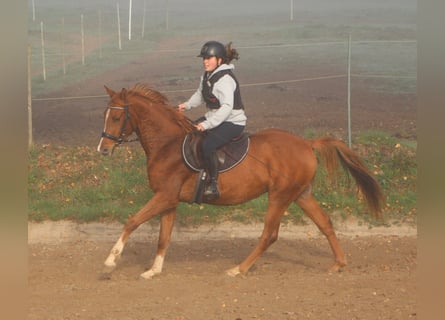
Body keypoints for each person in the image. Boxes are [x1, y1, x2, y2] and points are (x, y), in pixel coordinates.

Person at [178, 41, 247, 200]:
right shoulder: (207, 75)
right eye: (204, 58)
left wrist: (206, 125)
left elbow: (226, 108)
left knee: (208, 144)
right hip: (215, 117)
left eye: (209, 58)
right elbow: (200, 95)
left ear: (220, 60)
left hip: (232, 122)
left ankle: (213, 185)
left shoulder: (225, 80)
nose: (205, 61)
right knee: (189, 132)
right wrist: (186, 105)